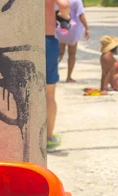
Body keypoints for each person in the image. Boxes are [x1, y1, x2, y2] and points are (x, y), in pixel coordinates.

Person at [45, 0, 70, 152]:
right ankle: (48, 137)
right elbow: (64, 5)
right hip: (46, 39)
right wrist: (64, 17)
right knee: (49, 92)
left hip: (21, 38)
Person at [56, 0, 89, 83]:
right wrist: (87, 28)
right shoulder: (77, 1)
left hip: (60, 28)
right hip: (72, 29)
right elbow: (81, 15)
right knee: (72, 54)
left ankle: (49, 72)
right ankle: (69, 77)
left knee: (60, 53)